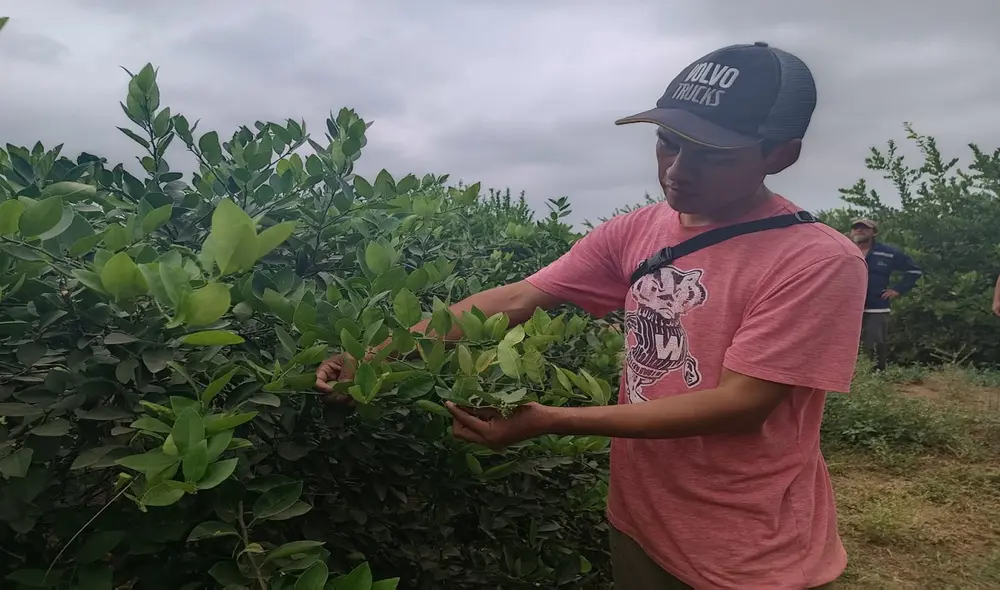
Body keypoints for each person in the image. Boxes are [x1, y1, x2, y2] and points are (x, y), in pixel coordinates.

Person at [317, 42, 866, 589]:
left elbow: (741, 406)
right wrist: (376, 355)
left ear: (780, 155)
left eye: (711, 154)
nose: (677, 170)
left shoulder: (817, 260)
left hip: (749, 550)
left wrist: (552, 419)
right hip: (639, 520)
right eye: (666, 143)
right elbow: (517, 299)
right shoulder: (636, 229)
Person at [848, 219, 923, 371]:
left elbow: (913, 271)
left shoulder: (888, 252)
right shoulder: (843, 250)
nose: (859, 230)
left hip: (876, 307)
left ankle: (876, 378)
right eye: (856, 228)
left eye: (864, 228)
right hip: (847, 307)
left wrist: (897, 290)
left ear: (874, 232)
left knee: (875, 344)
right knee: (844, 343)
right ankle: (848, 377)